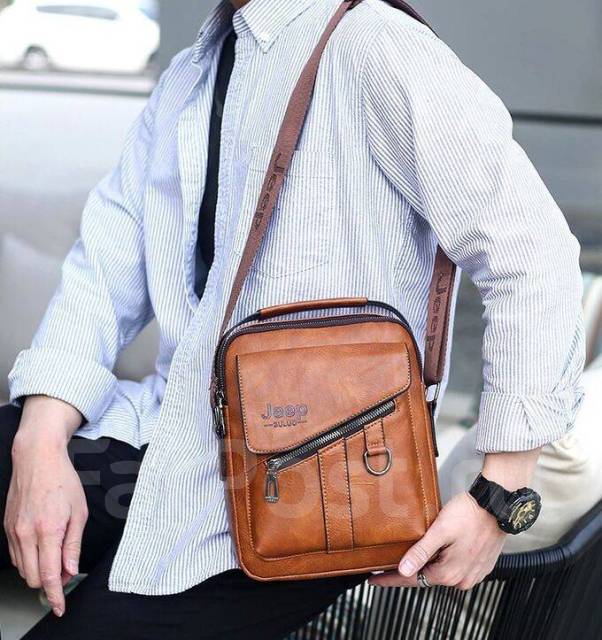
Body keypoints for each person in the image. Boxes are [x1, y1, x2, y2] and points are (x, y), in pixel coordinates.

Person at [0, 0, 584, 637]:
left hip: (314, 500)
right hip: (170, 438)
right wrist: (40, 442)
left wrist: (498, 497)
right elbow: (106, 267)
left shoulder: (376, 46)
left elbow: (532, 253)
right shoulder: (195, 71)